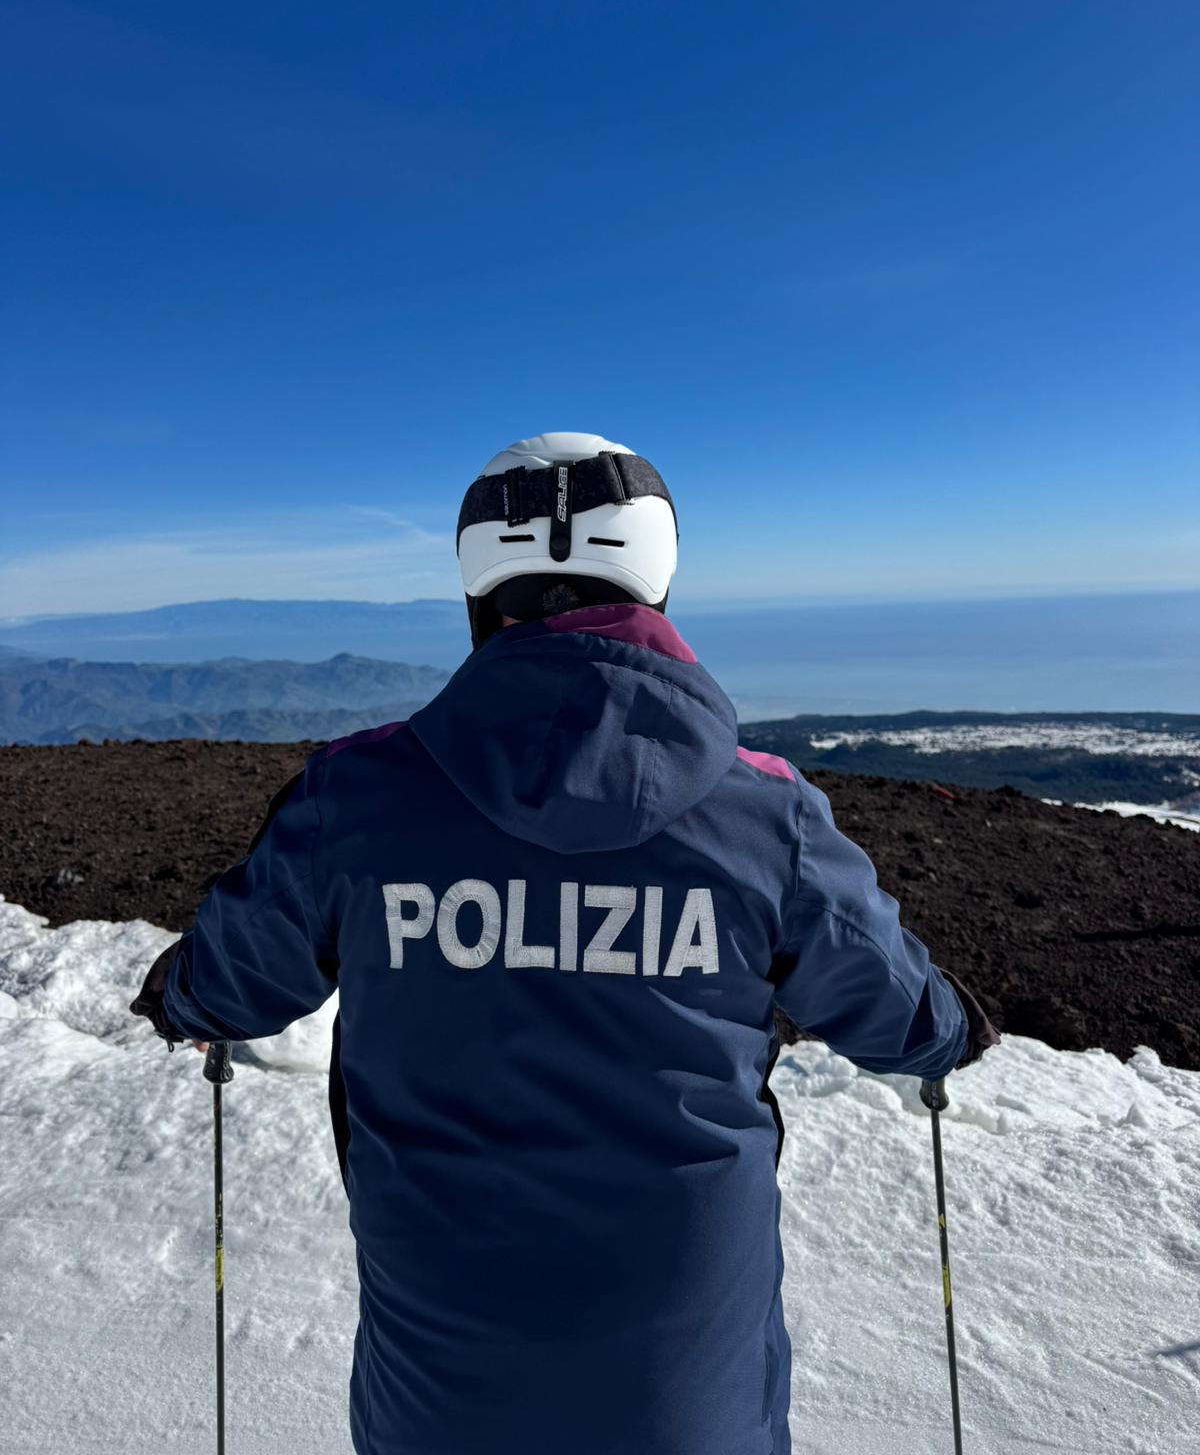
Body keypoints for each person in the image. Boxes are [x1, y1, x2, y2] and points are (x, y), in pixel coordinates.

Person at [131, 430, 999, 1455]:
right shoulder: (768, 816)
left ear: (477, 594)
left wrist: (182, 1001)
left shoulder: (355, 799)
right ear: (658, 585)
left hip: (439, 1397)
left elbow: (236, 975)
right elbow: (893, 1006)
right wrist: (950, 1033)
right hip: (688, 1399)